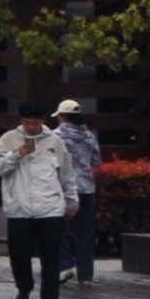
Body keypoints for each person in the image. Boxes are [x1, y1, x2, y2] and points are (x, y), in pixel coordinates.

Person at [0, 104, 75, 299]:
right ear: (21, 121)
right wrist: (17, 154)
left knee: (51, 259)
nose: (31, 127)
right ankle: (24, 288)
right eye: (27, 122)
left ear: (43, 121)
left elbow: (67, 174)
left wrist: (71, 199)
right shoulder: (8, 139)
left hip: (50, 209)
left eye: (35, 123)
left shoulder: (55, 141)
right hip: (19, 210)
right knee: (19, 257)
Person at [55, 98, 103, 284]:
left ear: (64, 116)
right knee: (85, 233)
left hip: (64, 188)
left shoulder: (56, 136)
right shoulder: (89, 136)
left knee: (57, 228)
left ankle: (66, 265)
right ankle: (86, 275)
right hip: (86, 188)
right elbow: (96, 162)